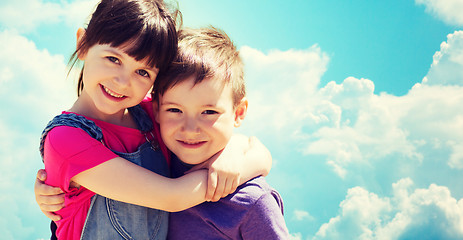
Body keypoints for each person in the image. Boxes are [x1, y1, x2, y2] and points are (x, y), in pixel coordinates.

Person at [36, 1, 272, 239]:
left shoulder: (153, 114)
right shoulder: (65, 139)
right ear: (83, 44)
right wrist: (233, 172)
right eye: (113, 59)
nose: (122, 82)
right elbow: (172, 197)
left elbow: (258, 152)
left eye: (143, 72)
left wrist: (232, 155)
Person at [153, 26, 290, 239]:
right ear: (156, 110)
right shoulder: (151, 165)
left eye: (208, 112)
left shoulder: (252, 202)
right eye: (175, 110)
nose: (190, 128)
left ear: (239, 112)